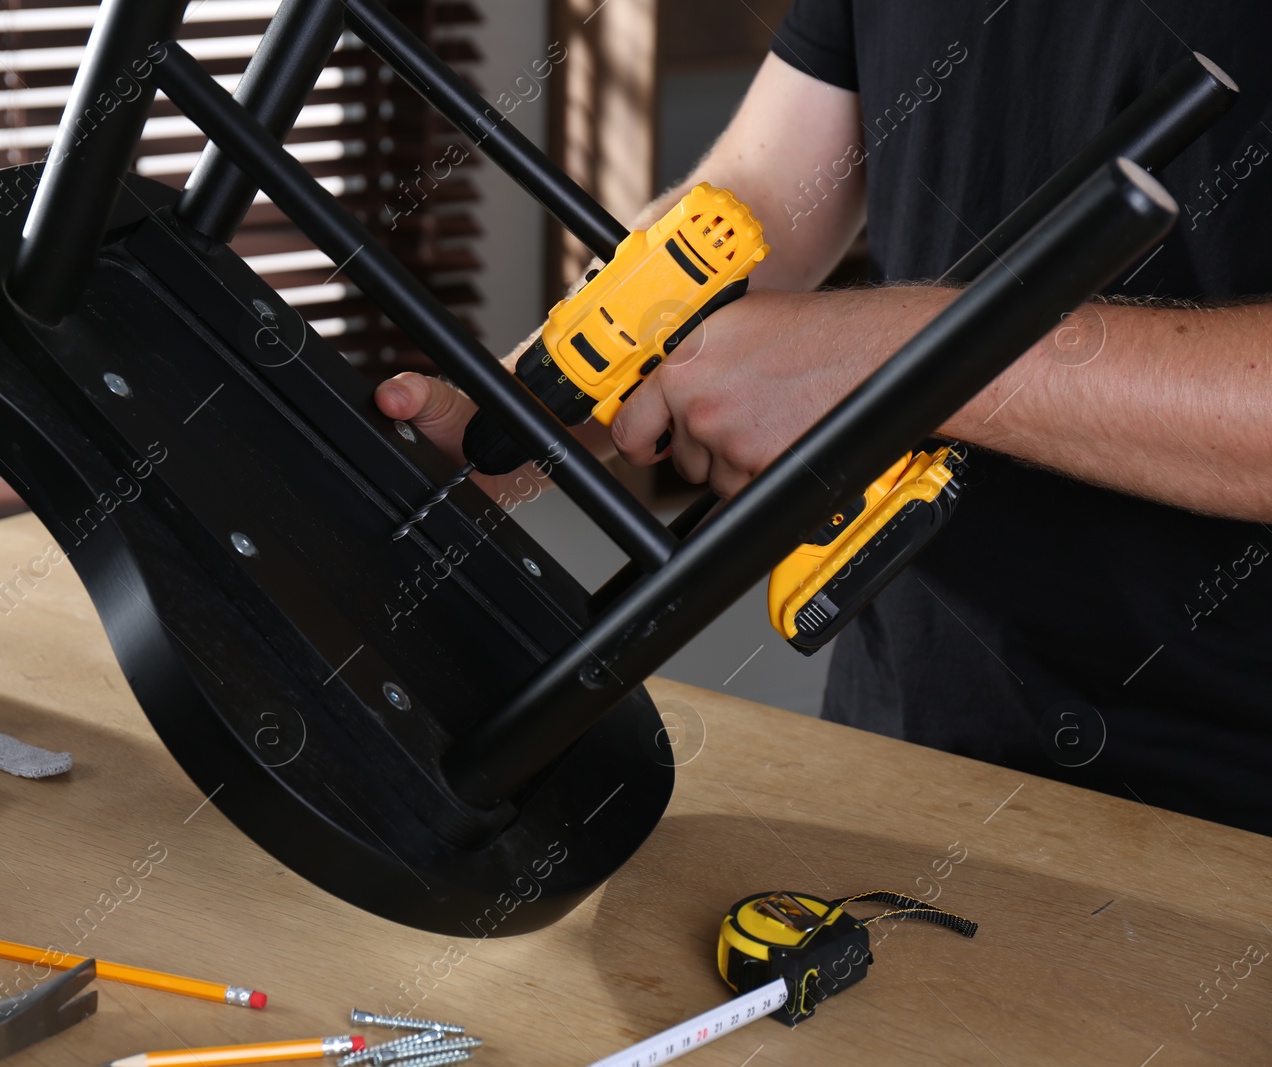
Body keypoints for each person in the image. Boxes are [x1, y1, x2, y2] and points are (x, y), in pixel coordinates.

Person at [375, 2, 1272, 835]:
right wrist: (537, 407)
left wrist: (882, 359)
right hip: (900, 733)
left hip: (1224, 812)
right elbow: (760, 198)